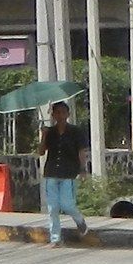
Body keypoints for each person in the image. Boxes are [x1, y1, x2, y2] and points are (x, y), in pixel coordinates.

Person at [38, 100, 88, 244]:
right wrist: (43, 136)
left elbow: (81, 151)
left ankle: (80, 221)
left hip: (68, 173)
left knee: (68, 205)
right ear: (53, 115)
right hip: (51, 172)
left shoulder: (75, 131)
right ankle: (55, 238)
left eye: (63, 112)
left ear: (68, 114)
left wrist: (83, 169)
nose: (60, 116)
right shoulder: (50, 132)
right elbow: (41, 152)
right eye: (57, 113)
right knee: (52, 208)